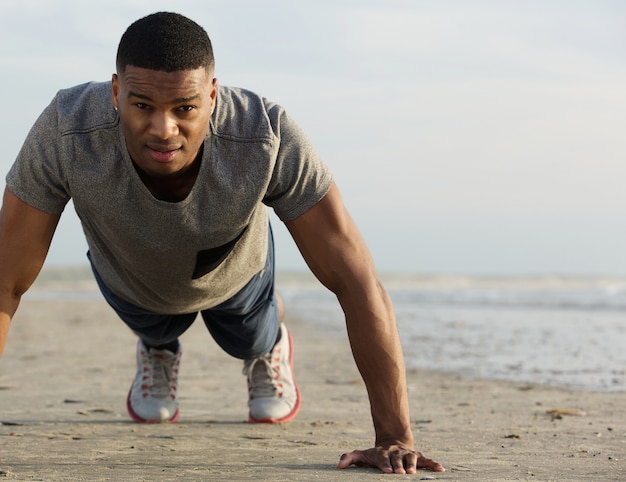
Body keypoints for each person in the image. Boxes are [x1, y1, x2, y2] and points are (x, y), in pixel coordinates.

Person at [0, 12, 444, 475]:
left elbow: (355, 278)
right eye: (142, 105)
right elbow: (5, 281)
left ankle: (269, 346)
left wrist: (394, 435)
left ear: (212, 96)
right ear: (116, 93)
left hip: (235, 274)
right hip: (131, 277)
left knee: (247, 336)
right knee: (157, 327)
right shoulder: (66, 132)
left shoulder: (264, 135)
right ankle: (157, 349)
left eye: (184, 108)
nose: (163, 129)